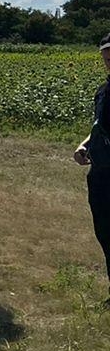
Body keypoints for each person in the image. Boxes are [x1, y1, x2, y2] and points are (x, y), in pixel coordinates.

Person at [72, 34, 110, 305]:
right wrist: (85, 145)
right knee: (105, 232)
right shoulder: (103, 91)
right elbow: (99, 127)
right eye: (106, 59)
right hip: (100, 171)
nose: (109, 63)